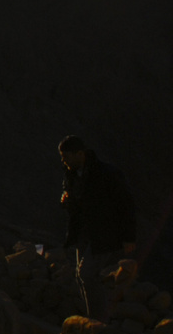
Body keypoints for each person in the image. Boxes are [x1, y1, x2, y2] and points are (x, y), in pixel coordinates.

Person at [58, 135, 137, 319]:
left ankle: (98, 320)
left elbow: (126, 204)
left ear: (80, 154)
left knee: (87, 275)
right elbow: (74, 203)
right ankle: (93, 317)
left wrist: (129, 237)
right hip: (83, 233)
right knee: (82, 276)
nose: (64, 161)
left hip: (104, 232)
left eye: (66, 156)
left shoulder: (106, 174)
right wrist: (66, 201)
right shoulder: (71, 174)